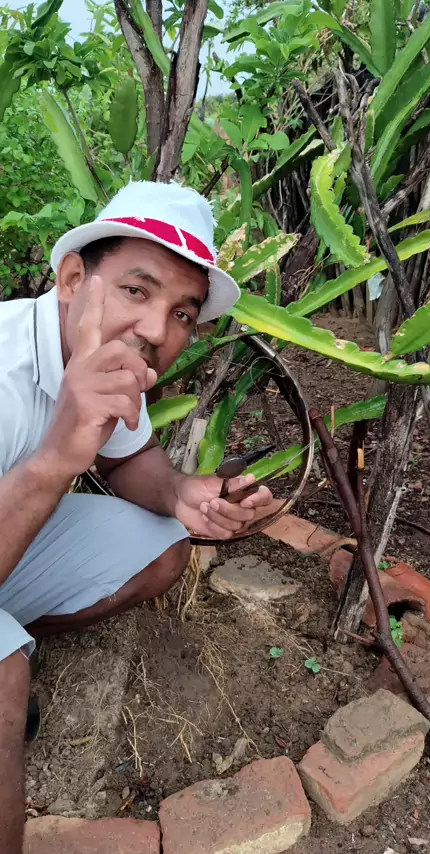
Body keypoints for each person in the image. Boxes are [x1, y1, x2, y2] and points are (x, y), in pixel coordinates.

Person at [0, 181, 273, 852]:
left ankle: (15, 629)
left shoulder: (109, 361)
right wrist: (57, 457)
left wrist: (181, 493)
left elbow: (131, 460)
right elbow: (62, 461)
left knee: (163, 548)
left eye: (182, 313)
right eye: (135, 290)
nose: (156, 331)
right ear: (72, 279)